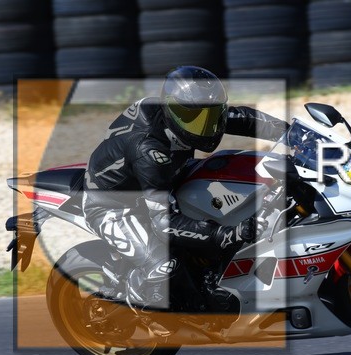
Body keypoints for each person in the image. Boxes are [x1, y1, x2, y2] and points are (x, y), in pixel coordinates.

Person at [82, 66, 288, 335]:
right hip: (114, 204)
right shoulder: (149, 150)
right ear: (172, 113)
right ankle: (144, 307)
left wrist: (291, 132)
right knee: (162, 266)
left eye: (211, 115)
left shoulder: (188, 113)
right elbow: (164, 224)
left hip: (162, 180)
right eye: (196, 119)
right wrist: (226, 234)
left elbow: (242, 118)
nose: (207, 127)